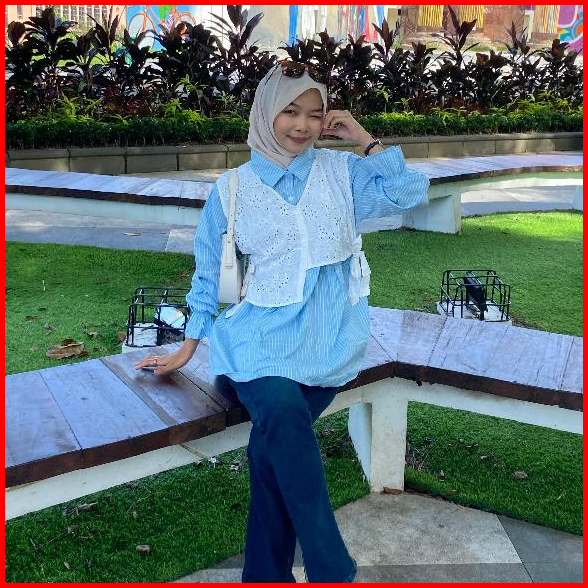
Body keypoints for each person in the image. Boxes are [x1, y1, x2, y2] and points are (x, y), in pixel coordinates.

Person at [135, 61, 429, 583]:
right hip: (256, 341)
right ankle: (330, 565)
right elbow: (209, 274)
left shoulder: (342, 174)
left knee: (271, 445)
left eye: (315, 114)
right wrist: (188, 346)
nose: (302, 125)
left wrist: (365, 140)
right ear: (265, 113)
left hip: (328, 341)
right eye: (290, 111)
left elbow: (410, 193)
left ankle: (265, 577)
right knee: (283, 414)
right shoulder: (232, 190)